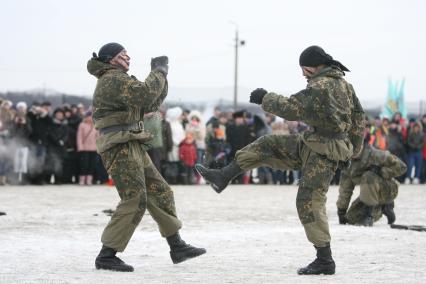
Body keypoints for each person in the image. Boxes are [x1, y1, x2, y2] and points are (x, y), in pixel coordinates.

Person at [196, 45, 365, 275]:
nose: (303, 74)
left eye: (305, 69)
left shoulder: (321, 85)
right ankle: (223, 175)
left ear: (315, 66)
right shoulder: (345, 85)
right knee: (268, 144)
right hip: (312, 142)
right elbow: (358, 117)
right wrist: (354, 147)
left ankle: (324, 259)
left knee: (309, 200)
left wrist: (264, 98)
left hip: (324, 152)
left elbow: (293, 108)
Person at [87, 42, 205, 272]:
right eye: (123, 55)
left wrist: (162, 76)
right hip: (119, 145)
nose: (128, 58)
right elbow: (144, 93)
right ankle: (107, 255)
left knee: (160, 191)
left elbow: (150, 102)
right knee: (135, 198)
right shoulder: (112, 79)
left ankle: (176, 245)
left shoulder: (120, 78)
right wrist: (158, 72)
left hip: (131, 142)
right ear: (111, 59)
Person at [336, 142, 407, 226]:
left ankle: (369, 216)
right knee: (351, 218)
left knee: (368, 176)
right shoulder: (348, 164)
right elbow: (345, 189)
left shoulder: (376, 154)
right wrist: (341, 211)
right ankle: (384, 207)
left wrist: (382, 171)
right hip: (370, 195)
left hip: (389, 189)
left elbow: (402, 167)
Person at [76, 110, 98, 185]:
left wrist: (98, 147)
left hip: (93, 148)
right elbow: (79, 137)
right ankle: (82, 179)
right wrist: (80, 147)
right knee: (84, 164)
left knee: (92, 164)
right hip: (84, 148)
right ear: (86, 117)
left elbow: (98, 137)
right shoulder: (82, 125)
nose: (90, 118)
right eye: (89, 116)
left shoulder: (96, 125)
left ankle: (89, 179)